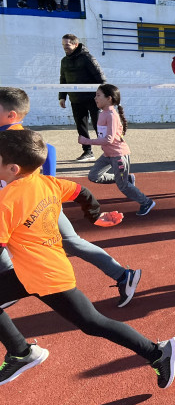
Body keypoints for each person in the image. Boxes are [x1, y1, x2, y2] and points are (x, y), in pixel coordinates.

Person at [0, 130, 175, 389]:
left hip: (46, 278)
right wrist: (94, 215)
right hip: (36, 270)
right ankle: (20, 352)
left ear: (13, 168)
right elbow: (81, 191)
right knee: (92, 323)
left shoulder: (7, 201)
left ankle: (157, 352)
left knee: (93, 323)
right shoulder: (47, 183)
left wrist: (94, 216)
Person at [0, 87, 141, 309]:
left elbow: (50, 151)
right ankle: (123, 275)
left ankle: (123, 275)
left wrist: (46, 187)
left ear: (11, 114)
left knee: (68, 244)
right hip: (29, 202)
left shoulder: (12, 135)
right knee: (71, 243)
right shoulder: (10, 133)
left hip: (30, 205)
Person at [80, 84, 156, 217]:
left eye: (98, 95)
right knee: (93, 176)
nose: (95, 98)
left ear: (109, 98)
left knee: (123, 186)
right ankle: (127, 179)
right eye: (95, 95)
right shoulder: (103, 113)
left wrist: (87, 141)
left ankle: (146, 202)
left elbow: (108, 139)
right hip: (108, 154)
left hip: (118, 155)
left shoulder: (111, 115)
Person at [59, 34, 105, 162]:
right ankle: (87, 152)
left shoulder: (87, 58)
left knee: (99, 126)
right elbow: (63, 80)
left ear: (76, 44)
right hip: (76, 100)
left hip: (93, 99)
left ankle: (107, 152)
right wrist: (62, 97)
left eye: (67, 45)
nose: (65, 48)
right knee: (81, 127)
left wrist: (104, 97)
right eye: (63, 45)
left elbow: (100, 78)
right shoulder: (64, 61)